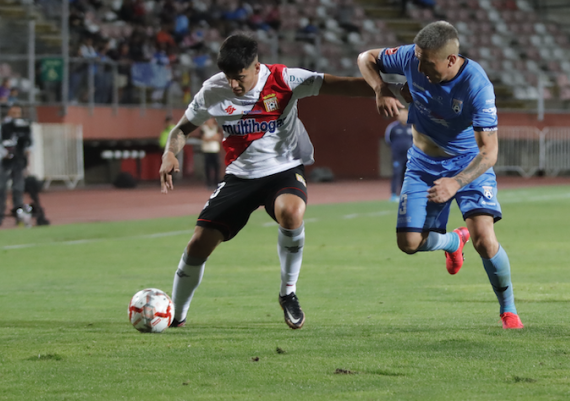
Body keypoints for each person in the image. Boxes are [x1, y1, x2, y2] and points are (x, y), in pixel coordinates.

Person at [159, 34, 382, 330]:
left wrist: (385, 90)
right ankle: (176, 315)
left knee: (291, 212)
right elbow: (181, 129)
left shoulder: (284, 79)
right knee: (198, 244)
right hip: (240, 176)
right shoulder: (212, 90)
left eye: (239, 77)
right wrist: (169, 153)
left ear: (256, 67)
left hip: (283, 170)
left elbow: (340, 84)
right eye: (228, 77)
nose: (233, 84)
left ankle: (288, 293)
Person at [357, 21, 524, 329]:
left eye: (427, 63)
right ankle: (452, 242)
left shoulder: (477, 86)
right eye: (418, 60)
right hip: (422, 165)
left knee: (484, 241)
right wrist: (380, 88)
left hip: (468, 164)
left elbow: (489, 153)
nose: (419, 69)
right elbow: (365, 57)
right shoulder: (411, 57)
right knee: (409, 243)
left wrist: (456, 182)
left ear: (450, 59)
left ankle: (508, 310)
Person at [0, 104, 33, 227]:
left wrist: (27, 151)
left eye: (17, 113)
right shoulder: (2, 126)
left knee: (18, 189)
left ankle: (19, 214)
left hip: (19, 161)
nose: (16, 115)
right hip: (5, 161)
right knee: (1, 188)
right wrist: (4, 153)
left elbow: (31, 142)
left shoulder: (25, 126)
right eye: (13, 113)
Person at [384, 107, 412, 202]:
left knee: (407, 175)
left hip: (409, 156)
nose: (404, 117)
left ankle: (404, 194)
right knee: (397, 173)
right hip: (397, 156)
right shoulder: (393, 127)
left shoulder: (412, 126)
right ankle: (393, 195)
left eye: (405, 115)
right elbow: (388, 140)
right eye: (402, 115)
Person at [199, 117, 221, 190]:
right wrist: (213, 138)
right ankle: (209, 183)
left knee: (216, 167)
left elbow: (218, 137)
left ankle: (216, 182)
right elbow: (204, 138)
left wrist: (210, 138)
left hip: (215, 150)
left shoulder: (216, 128)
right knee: (207, 168)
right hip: (207, 150)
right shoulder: (203, 128)